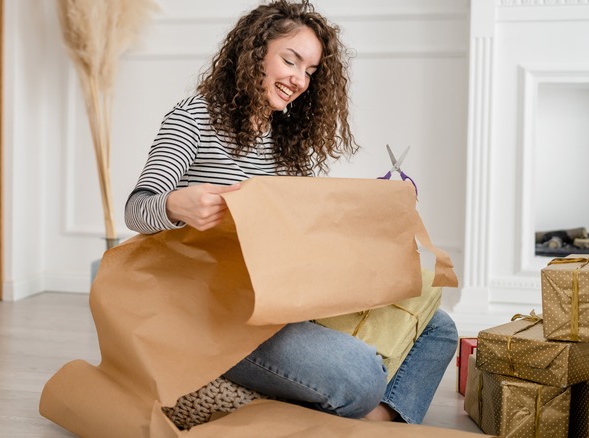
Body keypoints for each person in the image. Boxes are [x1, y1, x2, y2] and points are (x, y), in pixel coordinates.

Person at [125, 0, 458, 424]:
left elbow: (298, 231)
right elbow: (137, 210)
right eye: (290, 60)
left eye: (310, 71)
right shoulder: (194, 117)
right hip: (220, 315)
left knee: (439, 327)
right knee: (359, 374)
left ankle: (373, 422)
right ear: (253, 52)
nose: (299, 79)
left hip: (280, 301)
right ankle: (362, 411)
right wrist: (176, 204)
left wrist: (370, 209)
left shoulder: (287, 139)